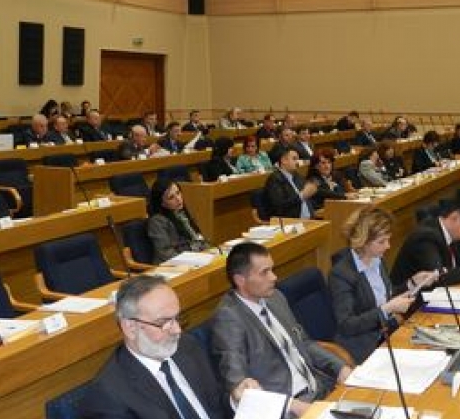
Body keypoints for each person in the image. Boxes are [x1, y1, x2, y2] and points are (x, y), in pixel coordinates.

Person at [210, 242, 352, 418]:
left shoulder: (275, 297)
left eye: (272, 269)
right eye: (264, 272)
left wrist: (340, 367)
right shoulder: (228, 318)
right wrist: (290, 405)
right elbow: (237, 382)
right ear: (240, 280)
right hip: (289, 409)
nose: (274, 277)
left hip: (320, 389)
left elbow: (303, 343)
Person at [79, 275, 230, 419]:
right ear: (130, 328)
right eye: (163, 322)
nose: (177, 330)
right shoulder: (108, 397)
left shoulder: (187, 346)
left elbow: (217, 402)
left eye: (177, 318)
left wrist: (235, 400)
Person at [330, 207, 436, 363]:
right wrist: (387, 309)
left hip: (387, 333)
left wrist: (412, 283)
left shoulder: (377, 260)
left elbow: (385, 296)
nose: (388, 246)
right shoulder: (341, 274)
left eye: (388, 239)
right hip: (363, 346)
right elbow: (347, 325)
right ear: (363, 241)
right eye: (381, 241)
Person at [391, 199, 460, 287]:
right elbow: (437, 278)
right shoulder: (425, 238)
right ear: (454, 217)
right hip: (411, 299)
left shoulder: (453, 234)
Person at [147, 179, 209, 264]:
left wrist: (209, 252)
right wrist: (192, 260)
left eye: (178, 193)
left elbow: (198, 238)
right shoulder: (157, 222)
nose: (178, 199)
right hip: (171, 266)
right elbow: (165, 253)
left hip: (194, 260)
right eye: (171, 197)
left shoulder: (181, 213)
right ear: (162, 203)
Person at [264, 147, 316, 219]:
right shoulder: (275, 179)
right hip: (291, 221)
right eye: (294, 159)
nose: (297, 162)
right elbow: (280, 206)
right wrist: (301, 196)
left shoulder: (297, 176)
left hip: (311, 219)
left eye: (298, 159)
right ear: (284, 160)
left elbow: (308, 198)